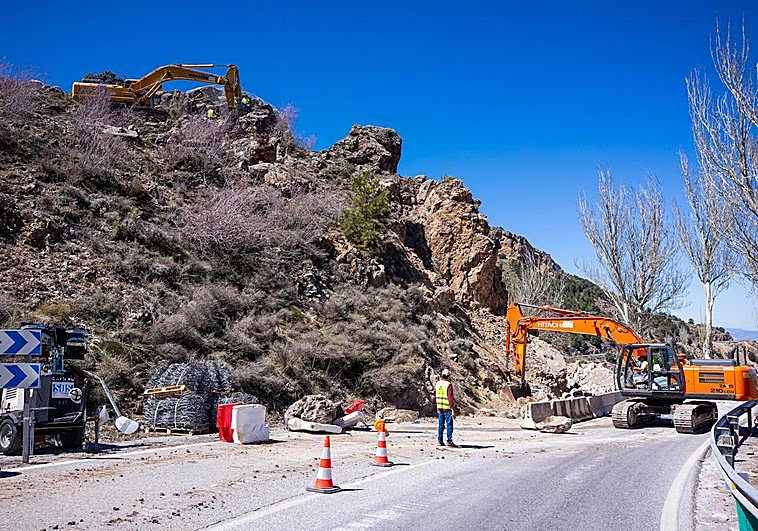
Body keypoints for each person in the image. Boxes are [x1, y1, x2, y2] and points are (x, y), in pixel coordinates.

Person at [435, 369, 457, 447]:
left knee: (441, 425)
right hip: (447, 408)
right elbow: (450, 397)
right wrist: (452, 408)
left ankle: (440, 440)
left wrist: (437, 406)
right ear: (448, 376)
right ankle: (449, 441)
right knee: (449, 425)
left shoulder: (437, 384)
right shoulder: (448, 384)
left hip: (440, 407)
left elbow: (436, 395)